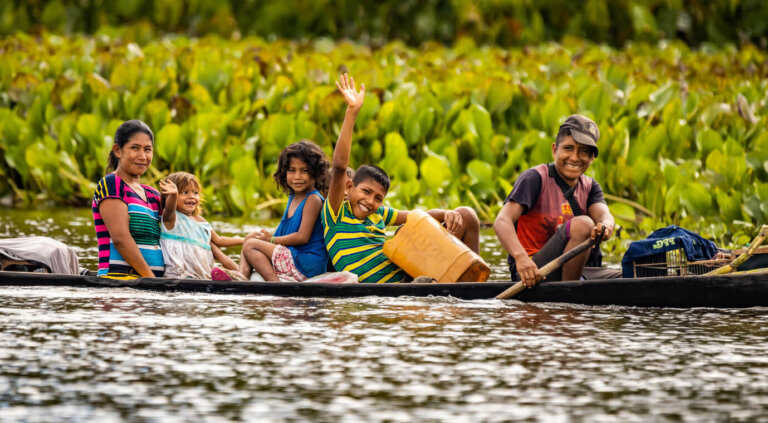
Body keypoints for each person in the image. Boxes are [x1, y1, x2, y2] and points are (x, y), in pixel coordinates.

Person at [323, 74, 480, 283]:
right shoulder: (335, 214)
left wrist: (447, 213)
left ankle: (475, 282)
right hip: (395, 289)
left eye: (378, 198)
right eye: (366, 192)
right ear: (349, 187)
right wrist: (352, 112)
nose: (370, 202)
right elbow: (340, 166)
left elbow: (419, 217)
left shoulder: (379, 212)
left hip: (407, 276)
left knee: (466, 214)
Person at [493, 114, 615, 287]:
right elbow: (501, 221)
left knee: (630, 274)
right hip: (533, 271)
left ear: (592, 158)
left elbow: (604, 215)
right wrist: (521, 258)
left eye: (583, 152)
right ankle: (569, 299)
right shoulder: (534, 178)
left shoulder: (590, 186)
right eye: (568, 148)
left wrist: (606, 226)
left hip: (578, 270)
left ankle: (575, 287)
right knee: (584, 225)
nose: (574, 157)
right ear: (554, 150)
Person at [238, 141, 330, 282]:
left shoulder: (313, 199)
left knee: (251, 245)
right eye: (292, 170)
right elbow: (282, 235)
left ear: (315, 173)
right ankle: (242, 276)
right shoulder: (292, 197)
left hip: (307, 263)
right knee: (251, 237)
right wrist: (266, 237)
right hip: (293, 256)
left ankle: (275, 284)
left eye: (304, 171)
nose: (297, 176)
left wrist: (270, 240)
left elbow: (302, 237)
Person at [92, 120, 164, 279]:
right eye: (135, 148)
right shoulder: (112, 184)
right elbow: (120, 239)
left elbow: (176, 230)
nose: (142, 156)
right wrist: (151, 280)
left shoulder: (153, 194)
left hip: (150, 288)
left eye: (148, 150)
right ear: (117, 150)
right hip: (118, 282)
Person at [158, 171, 248, 280]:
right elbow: (169, 208)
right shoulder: (171, 218)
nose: (191, 196)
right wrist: (173, 195)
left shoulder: (201, 221)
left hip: (203, 275)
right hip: (179, 275)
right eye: (185, 192)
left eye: (195, 193)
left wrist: (244, 240)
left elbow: (219, 240)